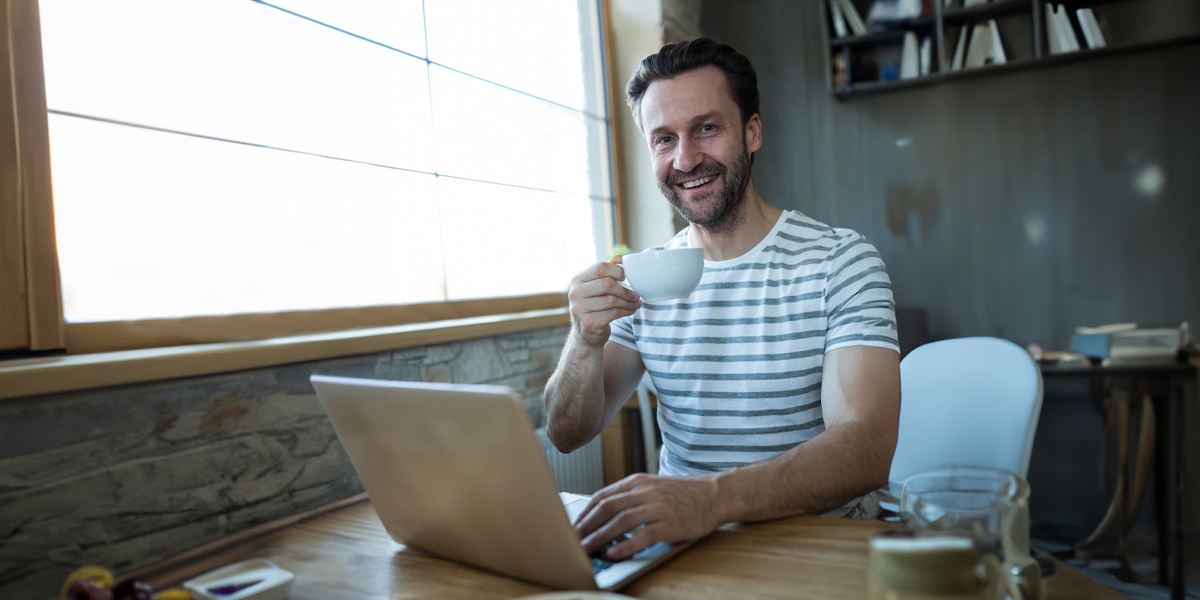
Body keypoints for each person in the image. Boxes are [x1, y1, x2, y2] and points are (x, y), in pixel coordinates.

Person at [543, 38, 901, 562]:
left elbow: (866, 448)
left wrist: (708, 500)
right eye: (663, 139)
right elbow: (567, 434)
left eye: (706, 128)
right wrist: (584, 339)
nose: (685, 159)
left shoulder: (840, 261)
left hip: (815, 549)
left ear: (752, 132)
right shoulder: (645, 276)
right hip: (680, 550)